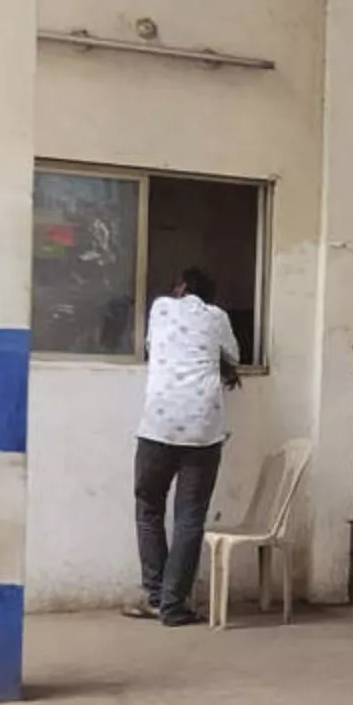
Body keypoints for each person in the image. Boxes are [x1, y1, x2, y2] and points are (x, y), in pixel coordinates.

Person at [123, 268, 241, 626]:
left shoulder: (160, 307)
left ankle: (156, 596)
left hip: (157, 427)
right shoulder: (217, 317)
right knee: (189, 518)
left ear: (182, 287)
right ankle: (173, 606)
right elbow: (233, 355)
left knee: (149, 510)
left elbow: (150, 347)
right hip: (203, 431)